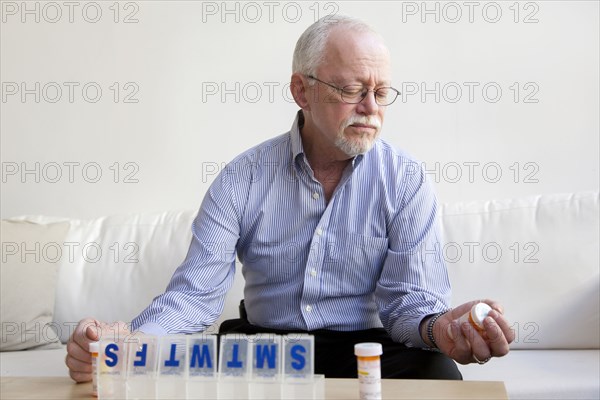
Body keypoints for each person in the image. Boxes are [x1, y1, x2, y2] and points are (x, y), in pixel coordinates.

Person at [65, 16, 514, 382]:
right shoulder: (242, 178)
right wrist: (122, 345)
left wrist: (442, 329)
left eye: (379, 93)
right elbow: (195, 297)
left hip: (368, 347)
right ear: (302, 91)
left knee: (438, 373)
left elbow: (409, 306)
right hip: (264, 347)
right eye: (351, 90)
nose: (371, 108)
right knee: (174, 372)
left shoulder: (406, 180)